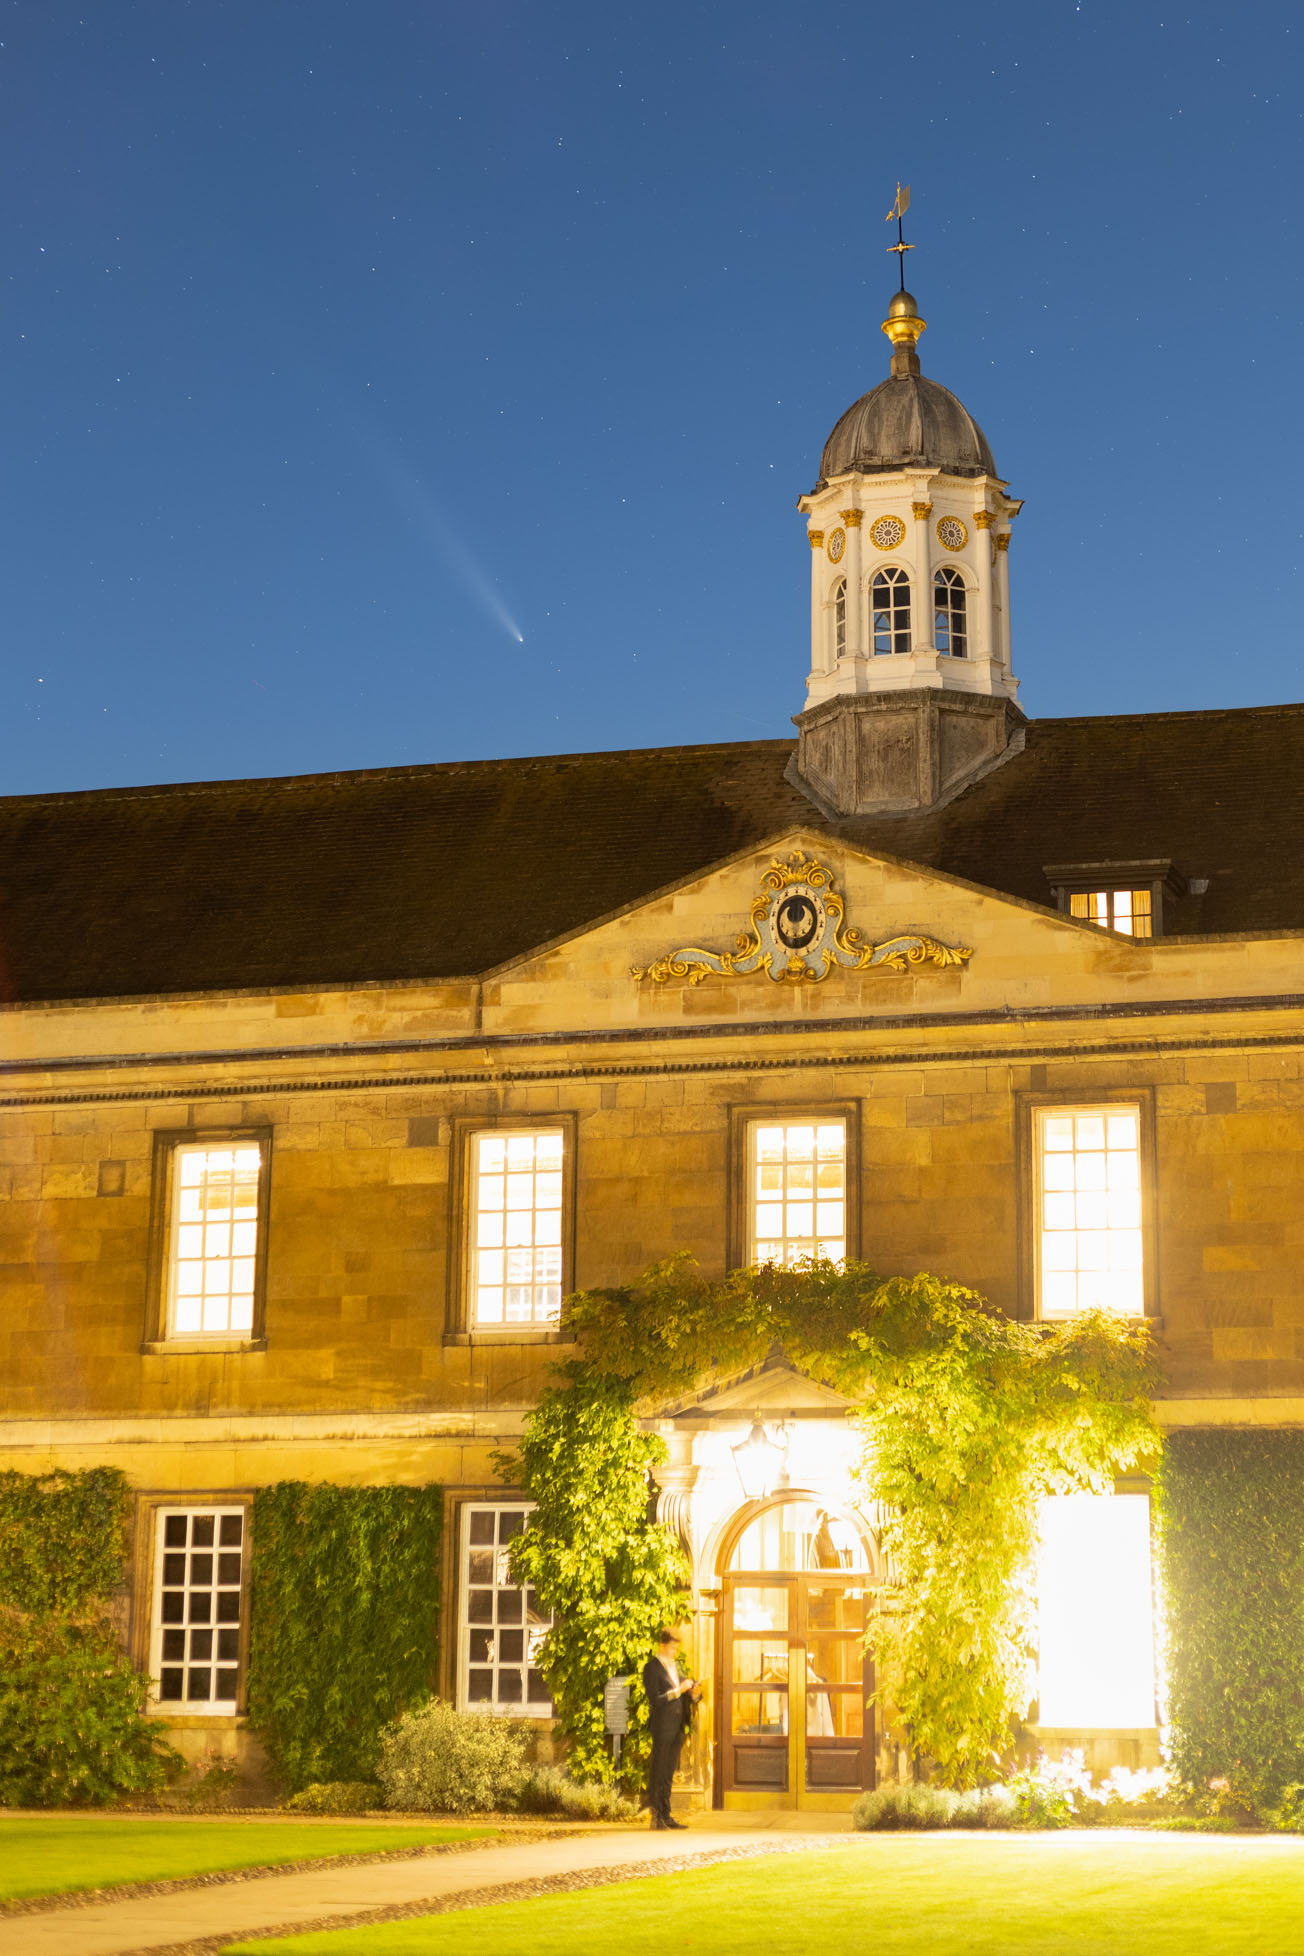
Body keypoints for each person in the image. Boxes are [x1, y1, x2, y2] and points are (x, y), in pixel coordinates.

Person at [642, 1625, 701, 1829]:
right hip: (662, 1725)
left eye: (676, 1648)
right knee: (658, 1770)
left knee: (668, 1772)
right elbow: (655, 1699)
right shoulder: (652, 1668)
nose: (674, 1652)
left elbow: (686, 1692)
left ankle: (666, 1814)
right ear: (662, 1645)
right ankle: (656, 1816)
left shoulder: (677, 1667)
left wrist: (694, 1694)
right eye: (672, 1648)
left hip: (677, 1726)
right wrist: (678, 1690)